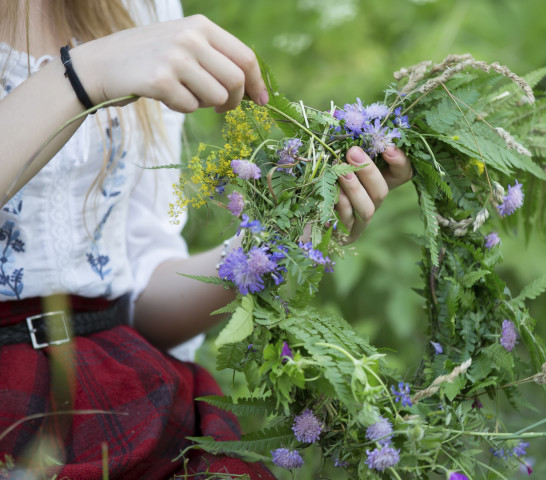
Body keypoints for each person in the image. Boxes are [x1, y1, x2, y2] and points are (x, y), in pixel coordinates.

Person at [0, 0, 413, 478]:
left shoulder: (138, 8)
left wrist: (277, 235)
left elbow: (138, 298)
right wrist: (85, 73)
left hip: (113, 374)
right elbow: (90, 72)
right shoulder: (117, 48)